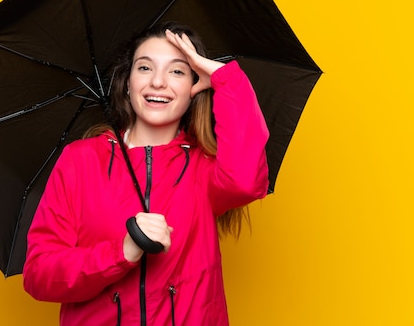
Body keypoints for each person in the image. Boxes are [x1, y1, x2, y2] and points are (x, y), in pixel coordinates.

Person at [23, 22, 270, 325]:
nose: (158, 82)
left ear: (195, 86)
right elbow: (40, 274)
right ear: (127, 83)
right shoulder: (80, 160)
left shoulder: (205, 167)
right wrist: (122, 251)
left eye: (177, 71)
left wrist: (223, 79)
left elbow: (246, 183)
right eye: (144, 68)